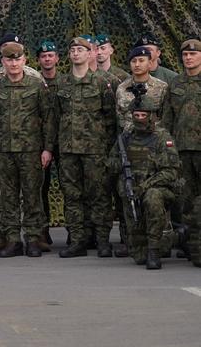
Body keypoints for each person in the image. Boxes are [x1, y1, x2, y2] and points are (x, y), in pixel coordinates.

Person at [0, 43, 54, 257]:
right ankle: (13, 240)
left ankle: (33, 239)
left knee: (33, 195)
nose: (14, 63)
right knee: (8, 198)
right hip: (4, 152)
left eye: (17, 59)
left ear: (24, 60)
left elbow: (48, 119)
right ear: (3, 62)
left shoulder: (36, 85)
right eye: (9, 60)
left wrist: (47, 148)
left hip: (31, 150)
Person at [54, 37, 116, 258]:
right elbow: (56, 116)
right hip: (69, 150)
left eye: (81, 50)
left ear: (90, 53)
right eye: (72, 50)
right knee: (72, 196)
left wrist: (107, 148)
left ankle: (102, 241)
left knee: (99, 195)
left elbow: (110, 119)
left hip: (95, 150)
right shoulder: (61, 83)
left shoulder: (101, 82)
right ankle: (78, 241)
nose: (76, 53)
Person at [108, 96, 180, 270]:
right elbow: (111, 162)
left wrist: (146, 186)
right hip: (132, 188)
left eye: (143, 115)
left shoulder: (162, 137)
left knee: (152, 198)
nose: (139, 119)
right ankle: (161, 242)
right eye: (136, 115)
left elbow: (170, 171)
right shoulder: (125, 138)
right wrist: (121, 167)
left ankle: (155, 250)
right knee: (139, 256)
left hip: (158, 188)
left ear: (152, 116)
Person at [161, 38, 201, 267]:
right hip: (182, 150)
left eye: (193, 55)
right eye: (185, 55)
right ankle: (190, 244)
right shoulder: (175, 84)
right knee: (185, 200)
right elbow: (167, 119)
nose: (188, 58)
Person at [36, 39, 61, 249]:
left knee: (70, 188)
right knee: (39, 188)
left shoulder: (65, 82)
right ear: (38, 60)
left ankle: (77, 233)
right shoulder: (35, 83)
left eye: (50, 55)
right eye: (43, 56)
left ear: (57, 58)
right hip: (40, 142)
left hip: (65, 142)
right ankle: (42, 232)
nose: (47, 58)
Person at [116, 46, 168, 131]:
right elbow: (119, 117)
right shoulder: (122, 88)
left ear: (150, 63)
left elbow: (165, 118)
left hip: (154, 138)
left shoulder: (162, 87)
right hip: (129, 138)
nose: (137, 64)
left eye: (141, 60)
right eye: (133, 61)